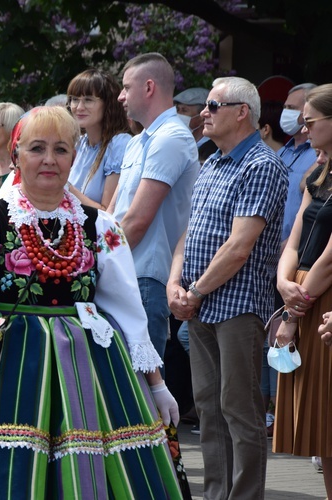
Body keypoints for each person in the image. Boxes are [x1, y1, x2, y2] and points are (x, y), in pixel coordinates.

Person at [0, 106, 180, 498]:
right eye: (37, 148)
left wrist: (156, 385)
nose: (49, 159)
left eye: (61, 149)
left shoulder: (100, 225)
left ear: (73, 158)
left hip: (89, 375)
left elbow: (127, 313)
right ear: (16, 156)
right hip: (4, 373)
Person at [168, 76, 287, 499]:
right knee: (209, 409)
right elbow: (189, 232)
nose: (204, 111)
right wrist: (173, 285)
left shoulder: (261, 165)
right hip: (199, 304)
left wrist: (193, 292)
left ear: (243, 112)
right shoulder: (212, 161)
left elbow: (240, 247)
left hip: (237, 306)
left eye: (213, 105)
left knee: (240, 410)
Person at [108, 53, 200, 360]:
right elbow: (114, 211)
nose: (120, 96)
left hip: (146, 277)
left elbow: (137, 219)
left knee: (142, 388)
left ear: (148, 87)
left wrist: (99, 262)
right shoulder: (137, 141)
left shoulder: (171, 137)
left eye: (125, 87)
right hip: (123, 269)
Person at [274, 83, 332, 497]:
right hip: (302, 293)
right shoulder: (318, 173)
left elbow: (330, 258)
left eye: (310, 121)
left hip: (320, 299)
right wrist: (282, 280)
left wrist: (293, 315)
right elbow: (294, 239)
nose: (303, 128)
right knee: (323, 433)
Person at [66, 68, 132, 210]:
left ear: (108, 103)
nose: (79, 107)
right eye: (75, 99)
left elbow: (107, 213)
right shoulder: (78, 144)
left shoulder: (119, 144)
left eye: (88, 100)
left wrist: (65, 187)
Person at [278, 83, 319, 245]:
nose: (285, 112)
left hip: (299, 249)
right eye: (285, 107)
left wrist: (290, 245)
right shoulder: (281, 153)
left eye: (291, 107)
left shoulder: (320, 155)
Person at [173, 87, 218, 163]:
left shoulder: (214, 150)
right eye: (177, 109)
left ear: (203, 117)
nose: (178, 114)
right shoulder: (176, 141)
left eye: (184, 110)